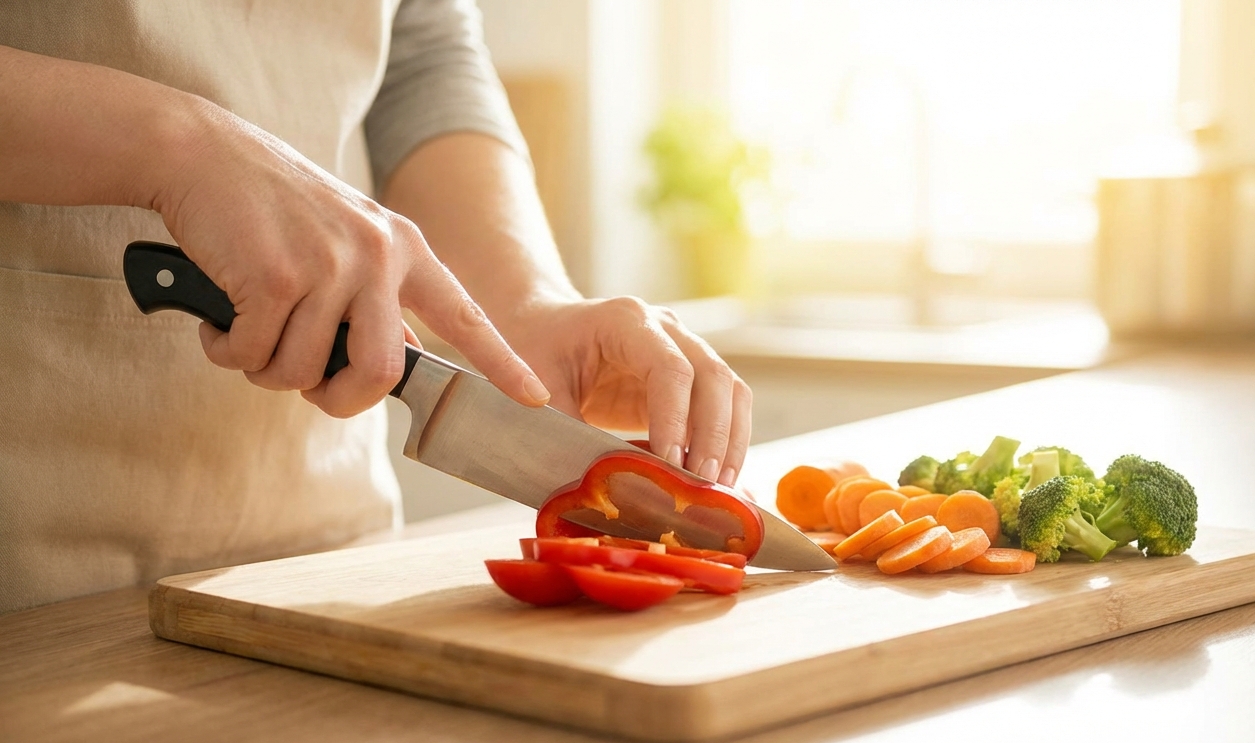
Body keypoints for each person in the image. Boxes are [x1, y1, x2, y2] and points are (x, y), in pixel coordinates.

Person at [0, 0, 752, 614]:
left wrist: (525, 306)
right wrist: (177, 146)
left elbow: (422, 53)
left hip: (320, 560)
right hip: (27, 552)